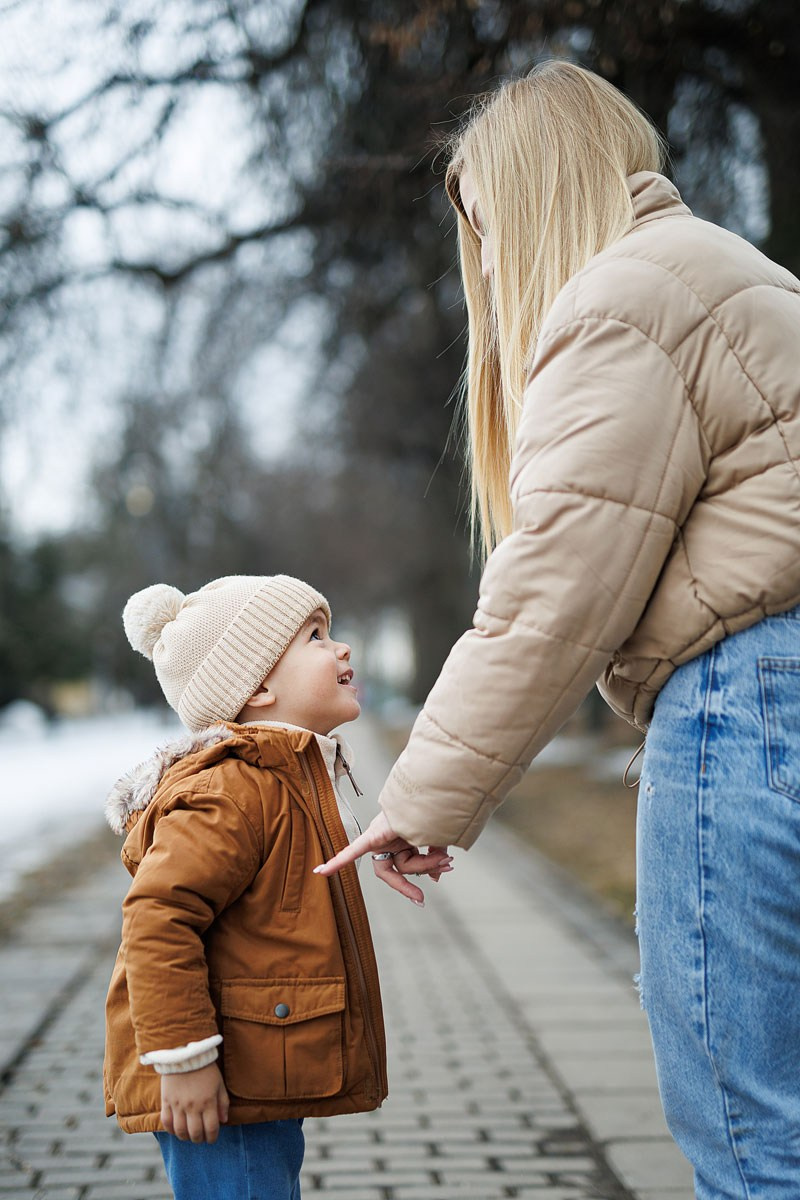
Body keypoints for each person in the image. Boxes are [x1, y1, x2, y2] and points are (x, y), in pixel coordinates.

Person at [315, 61, 800, 1199]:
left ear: (531, 202)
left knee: (751, 1140)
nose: (481, 261)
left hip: (753, 710)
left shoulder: (624, 297)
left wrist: (416, 798)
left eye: (483, 228)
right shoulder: (745, 276)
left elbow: (552, 593)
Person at [103, 572, 452, 1200]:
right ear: (258, 684)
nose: (341, 648)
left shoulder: (279, 778)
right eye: (315, 637)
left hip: (252, 1066)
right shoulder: (232, 791)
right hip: (214, 1077)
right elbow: (157, 917)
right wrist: (182, 1058)